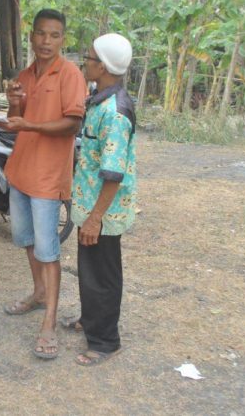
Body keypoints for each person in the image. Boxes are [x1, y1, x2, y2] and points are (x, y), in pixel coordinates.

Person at [0, 9, 87, 360]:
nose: (46, 41)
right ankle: (38, 293)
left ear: (62, 38)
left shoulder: (70, 74)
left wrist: (31, 125)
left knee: (48, 251)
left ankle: (49, 322)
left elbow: (72, 125)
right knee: (26, 241)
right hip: (20, 170)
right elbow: (13, 122)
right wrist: (14, 102)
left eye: (54, 35)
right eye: (40, 34)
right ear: (31, 36)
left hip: (48, 178)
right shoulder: (24, 74)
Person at [70, 33, 136, 366]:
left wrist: (96, 217)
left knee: (103, 274)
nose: (86, 61)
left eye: (90, 57)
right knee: (89, 268)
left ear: (104, 66)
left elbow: (113, 173)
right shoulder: (99, 98)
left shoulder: (115, 113)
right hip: (91, 206)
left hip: (104, 211)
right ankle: (90, 318)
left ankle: (106, 340)